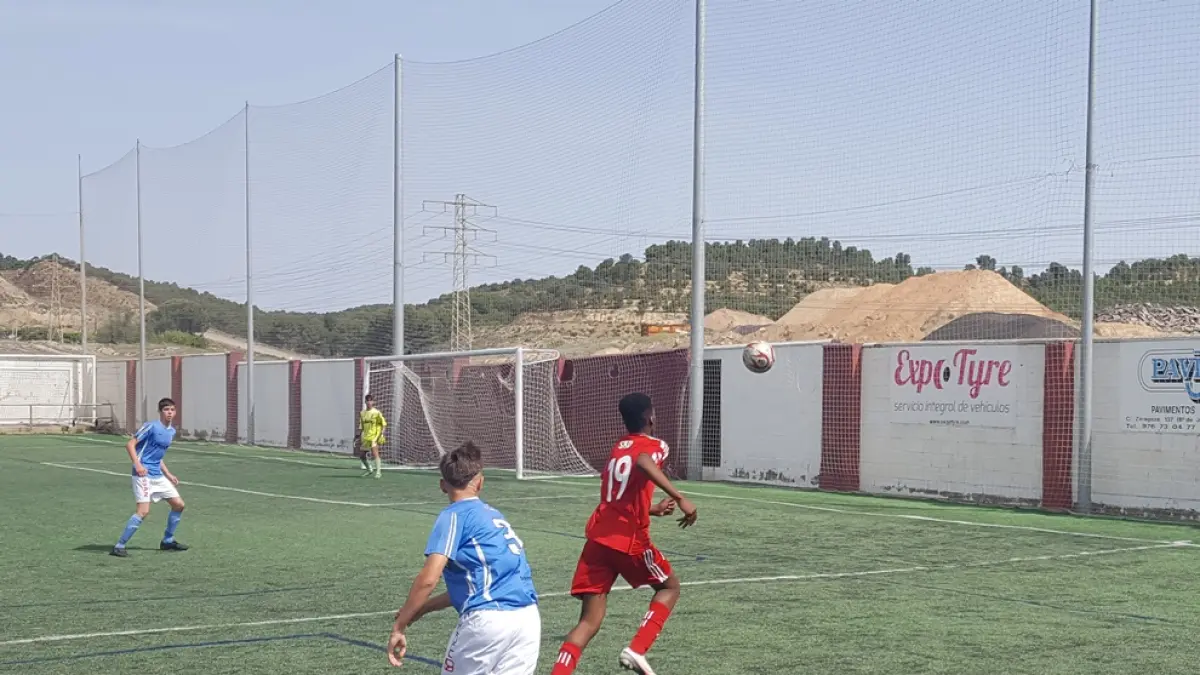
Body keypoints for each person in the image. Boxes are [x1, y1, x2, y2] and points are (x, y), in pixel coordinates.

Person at [550, 393, 698, 675]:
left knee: (588, 622)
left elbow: (619, 495)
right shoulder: (655, 446)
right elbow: (643, 461)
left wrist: (651, 509)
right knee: (669, 587)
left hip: (598, 539)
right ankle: (637, 649)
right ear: (650, 418)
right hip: (628, 540)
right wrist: (680, 498)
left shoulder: (618, 447)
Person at [387, 442, 541, 674]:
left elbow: (429, 579)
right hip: (527, 619)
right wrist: (421, 609)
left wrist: (399, 626)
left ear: (443, 486)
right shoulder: (493, 517)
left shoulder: (454, 516)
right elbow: (476, 586)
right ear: (480, 482)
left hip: (487, 623)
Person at [110, 397, 188, 557]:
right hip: (143, 475)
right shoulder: (151, 426)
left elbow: (157, 456)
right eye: (166, 410)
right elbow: (130, 444)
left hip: (157, 475)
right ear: (160, 411)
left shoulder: (171, 431)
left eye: (172, 410)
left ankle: (167, 540)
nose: (169, 413)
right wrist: (138, 465)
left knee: (179, 505)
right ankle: (119, 546)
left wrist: (168, 474)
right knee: (143, 511)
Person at [357, 393, 387, 478]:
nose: (369, 402)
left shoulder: (376, 413)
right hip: (366, 436)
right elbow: (361, 426)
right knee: (362, 456)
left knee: (375, 453)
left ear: (373, 402)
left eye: (370, 400)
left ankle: (378, 472)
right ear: (365, 402)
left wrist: (381, 434)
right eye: (367, 401)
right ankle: (369, 469)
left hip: (374, 436)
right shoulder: (362, 413)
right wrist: (358, 435)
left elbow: (383, 424)